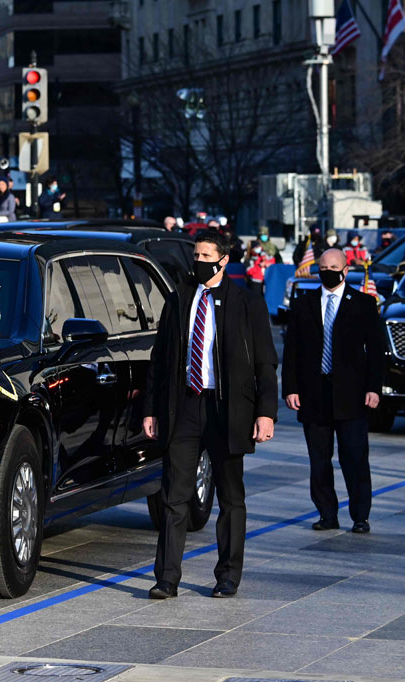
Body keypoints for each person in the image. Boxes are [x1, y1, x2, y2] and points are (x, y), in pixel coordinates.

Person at [143, 229, 278, 599]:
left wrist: (266, 413)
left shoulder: (247, 303)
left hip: (228, 409)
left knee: (231, 497)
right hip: (185, 407)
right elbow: (160, 358)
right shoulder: (179, 299)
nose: (199, 262)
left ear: (224, 259)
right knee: (174, 495)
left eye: (206, 256)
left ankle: (228, 576)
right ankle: (166, 578)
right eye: (196, 256)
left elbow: (266, 363)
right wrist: (151, 409)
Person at [282, 248, 384, 534]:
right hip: (314, 394)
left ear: (346, 269)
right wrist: (290, 388)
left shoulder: (363, 303)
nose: (327, 272)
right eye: (322, 267)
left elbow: (376, 352)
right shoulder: (304, 304)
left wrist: (373, 388)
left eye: (333, 267)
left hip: (351, 395)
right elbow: (292, 351)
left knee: (354, 457)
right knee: (319, 460)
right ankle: (327, 513)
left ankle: (360, 515)